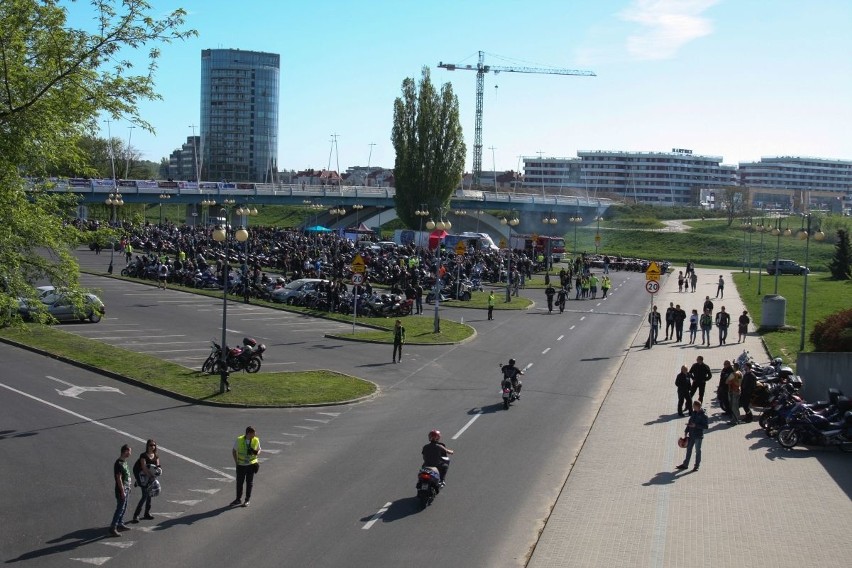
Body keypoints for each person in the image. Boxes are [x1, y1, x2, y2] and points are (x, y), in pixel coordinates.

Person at [131, 439, 160, 523]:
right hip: (142, 475)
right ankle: (136, 515)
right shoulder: (143, 455)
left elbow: (157, 467)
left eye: (154, 445)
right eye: (151, 445)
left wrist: (157, 473)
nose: (152, 447)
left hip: (150, 476)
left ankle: (146, 513)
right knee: (144, 496)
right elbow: (143, 467)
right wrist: (150, 476)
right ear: (147, 446)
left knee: (150, 494)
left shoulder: (156, 455)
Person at [231, 426, 261, 507]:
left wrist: (256, 453)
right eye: (253, 434)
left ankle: (247, 500)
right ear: (248, 433)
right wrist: (236, 462)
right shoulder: (240, 439)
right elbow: (234, 451)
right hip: (241, 465)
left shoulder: (256, 440)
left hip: (251, 465)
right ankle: (238, 499)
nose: (254, 436)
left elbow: (259, 450)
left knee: (249, 483)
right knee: (239, 483)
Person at [676, 401, 709, 472]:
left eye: (694, 406)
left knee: (697, 451)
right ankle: (685, 465)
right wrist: (686, 430)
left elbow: (706, 426)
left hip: (698, 436)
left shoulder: (704, 415)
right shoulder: (694, 413)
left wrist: (696, 426)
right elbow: (690, 421)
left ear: (697, 406)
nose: (693, 407)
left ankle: (696, 466)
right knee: (689, 450)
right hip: (691, 435)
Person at [109, 444, 133, 537]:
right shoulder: (118, 463)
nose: (130, 453)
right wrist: (122, 491)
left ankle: (120, 523)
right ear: (125, 451)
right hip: (121, 490)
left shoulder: (124, 462)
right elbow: (118, 478)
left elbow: (126, 476)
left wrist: (128, 487)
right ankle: (113, 527)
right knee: (120, 508)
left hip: (126, 488)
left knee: (124, 507)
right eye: (129, 451)